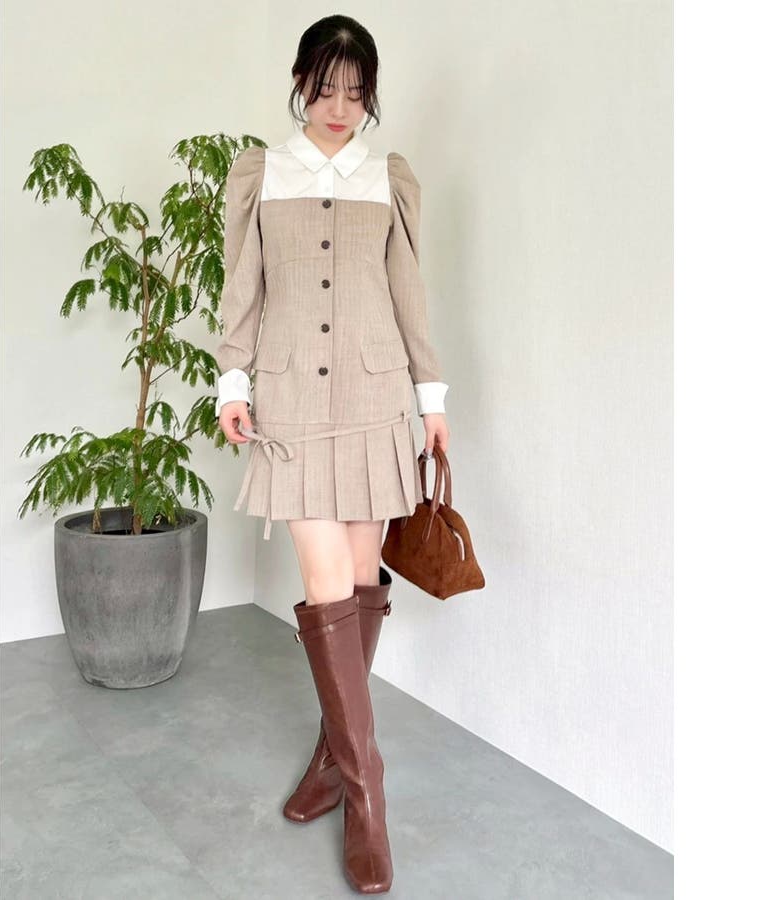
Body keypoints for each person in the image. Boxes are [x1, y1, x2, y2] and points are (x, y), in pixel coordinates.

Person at [214, 14, 450, 895]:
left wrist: (431, 400)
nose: (340, 106)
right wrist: (232, 383)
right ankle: (367, 791)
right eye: (325, 88)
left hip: (376, 396)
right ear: (300, 83)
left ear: (370, 95)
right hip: (291, 403)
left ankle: (328, 760)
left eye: (356, 91)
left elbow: (408, 294)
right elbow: (243, 289)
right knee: (325, 587)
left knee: (358, 581)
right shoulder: (261, 172)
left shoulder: (389, 178)